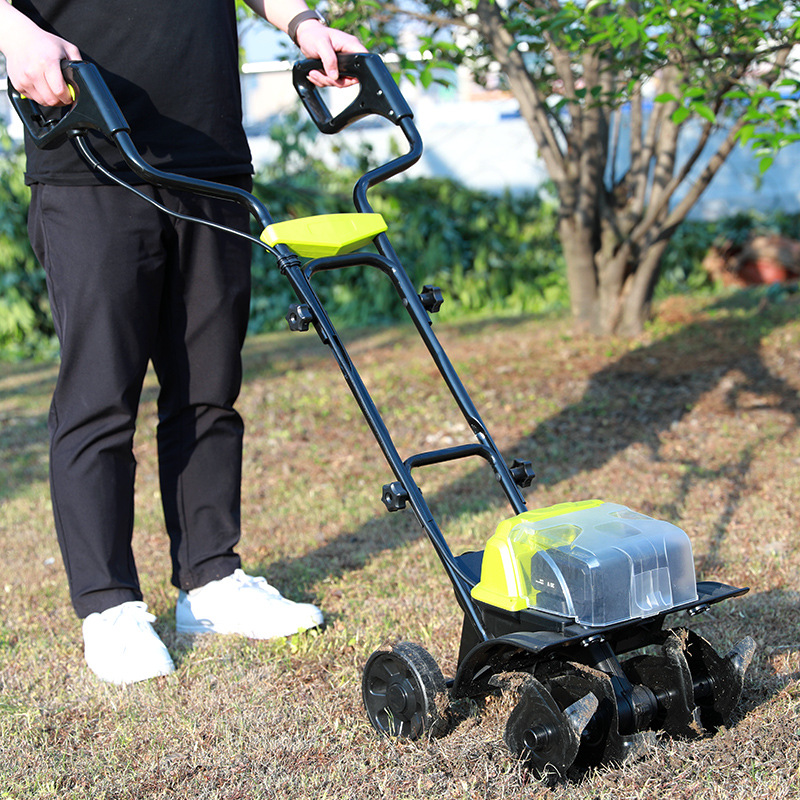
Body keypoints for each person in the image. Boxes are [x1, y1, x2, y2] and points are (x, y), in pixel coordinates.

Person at [0, 1, 365, 685]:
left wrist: (305, 25)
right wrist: (12, 30)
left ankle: (212, 579)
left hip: (211, 157)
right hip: (89, 151)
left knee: (208, 386)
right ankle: (108, 607)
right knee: (99, 396)